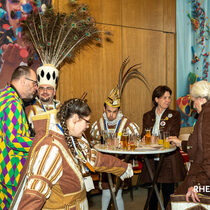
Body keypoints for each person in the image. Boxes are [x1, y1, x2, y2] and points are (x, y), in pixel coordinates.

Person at [11, 98, 133, 209]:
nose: (87, 126)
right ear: (75, 119)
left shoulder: (74, 140)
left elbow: (96, 159)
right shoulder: (50, 148)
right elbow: (35, 193)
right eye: (87, 122)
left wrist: (123, 167)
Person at [90, 87, 140, 210]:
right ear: (104, 109)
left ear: (118, 111)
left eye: (114, 112)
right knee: (106, 192)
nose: (111, 115)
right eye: (108, 111)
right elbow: (93, 142)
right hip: (105, 165)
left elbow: (136, 138)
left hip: (119, 163)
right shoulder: (98, 124)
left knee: (117, 194)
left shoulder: (126, 124)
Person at [140, 85, 186, 210]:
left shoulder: (175, 115)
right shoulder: (147, 115)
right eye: (164, 97)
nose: (168, 100)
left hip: (168, 160)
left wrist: (154, 138)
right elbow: (144, 135)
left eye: (169, 98)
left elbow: (173, 136)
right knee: (152, 194)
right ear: (156, 99)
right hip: (151, 160)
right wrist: (145, 138)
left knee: (167, 194)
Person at [0, 65, 37, 209]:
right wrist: (41, 141)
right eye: (34, 83)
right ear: (23, 81)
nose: (36, 88)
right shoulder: (13, 103)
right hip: (11, 171)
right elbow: (14, 140)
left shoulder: (4, 95)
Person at [168, 81, 210, 207]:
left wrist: (198, 184)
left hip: (202, 177)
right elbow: (199, 145)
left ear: (201, 99)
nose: (193, 105)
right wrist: (180, 142)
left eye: (194, 101)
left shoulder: (206, 115)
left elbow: (208, 155)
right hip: (202, 175)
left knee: (175, 204)